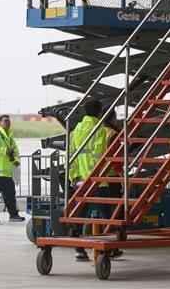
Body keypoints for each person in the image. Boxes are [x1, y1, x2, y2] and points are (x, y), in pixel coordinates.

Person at [69, 99, 122, 261]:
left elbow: (71, 156)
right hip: (97, 179)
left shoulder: (76, 130)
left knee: (81, 214)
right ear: (100, 113)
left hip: (81, 180)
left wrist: (74, 176)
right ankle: (112, 249)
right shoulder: (98, 130)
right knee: (107, 214)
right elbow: (100, 157)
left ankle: (79, 249)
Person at [0, 115, 25, 222]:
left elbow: (16, 152)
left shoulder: (10, 138)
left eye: (9, 121)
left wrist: (16, 160)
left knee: (10, 196)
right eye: (5, 121)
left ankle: (14, 215)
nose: (8, 123)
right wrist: (5, 151)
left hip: (8, 173)